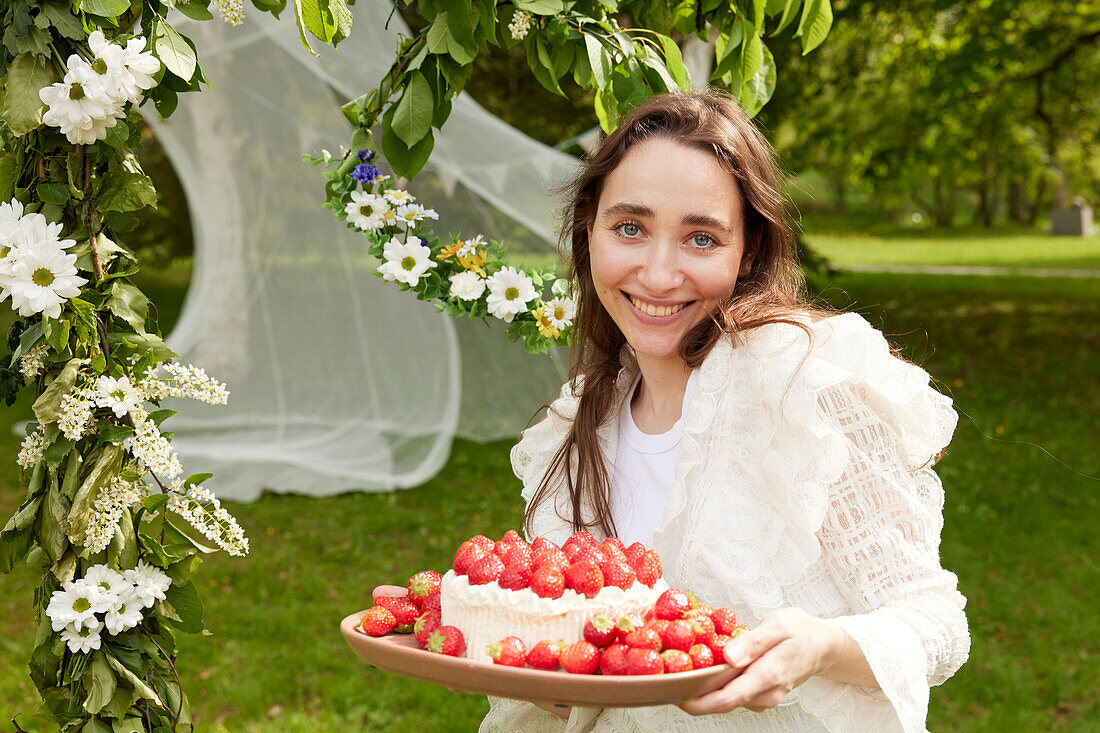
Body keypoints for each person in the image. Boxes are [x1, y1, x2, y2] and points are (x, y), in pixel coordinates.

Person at [478, 89, 970, 732]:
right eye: (630, 227)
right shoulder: (578, 426)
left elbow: (933, 625)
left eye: (701, 238)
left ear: (748, 252)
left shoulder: (801, 392)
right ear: (588, 234)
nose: (658, 274)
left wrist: (818, 647)